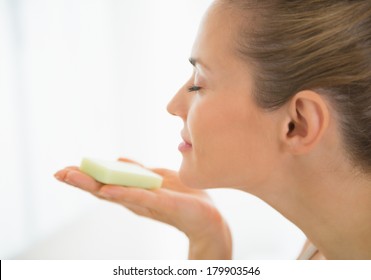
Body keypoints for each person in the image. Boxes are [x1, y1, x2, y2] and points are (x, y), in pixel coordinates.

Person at [54, 0, 371, 260]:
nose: (173, 105)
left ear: (297, 124)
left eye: (198, 84)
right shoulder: (326, 247)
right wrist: (208, 238)